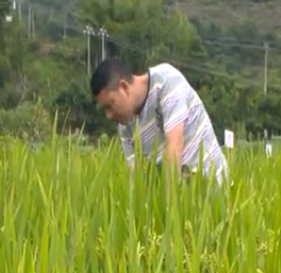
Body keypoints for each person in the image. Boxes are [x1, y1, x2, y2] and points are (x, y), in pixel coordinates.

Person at [90, 59, 229, 187]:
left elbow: (175, 144)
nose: (108, 115)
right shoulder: (125, 127)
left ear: (124, 87)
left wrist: (169, 208)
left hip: (214, 189)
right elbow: (135, 177)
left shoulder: (166, 81)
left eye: (110, 105)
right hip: (182, 198)